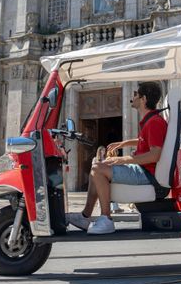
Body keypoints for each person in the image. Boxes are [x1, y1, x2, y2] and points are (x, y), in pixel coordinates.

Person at [66, 82, 167, 235]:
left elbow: (155, 155)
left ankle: (106, 219)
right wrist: (123, 143)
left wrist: (122, 159)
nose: (132, 97)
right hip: (143, 170)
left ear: (143, 99)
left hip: (147, 174)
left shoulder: (154, 123)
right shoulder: (150, 122)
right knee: (97, 164)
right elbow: (145, 141)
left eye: (135, 94)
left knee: (98, 169)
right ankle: (85, 216)